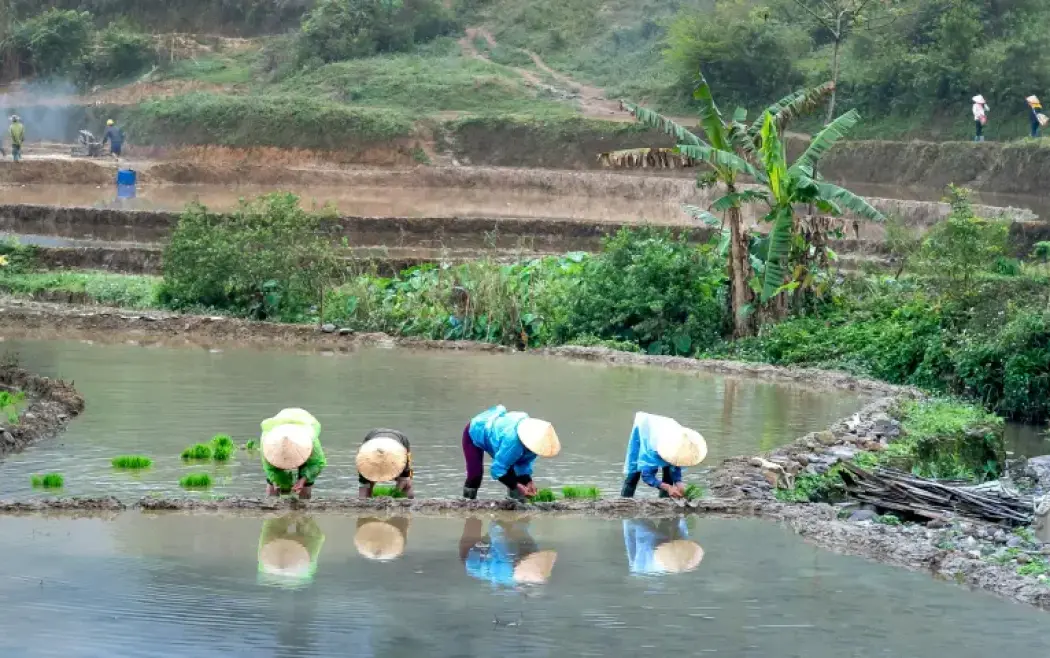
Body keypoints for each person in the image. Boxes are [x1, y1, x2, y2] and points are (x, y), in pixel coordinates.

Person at [461, 404, 561, 500]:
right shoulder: (513, 442)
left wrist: (528, 482)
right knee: (475, 476)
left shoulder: (535, 445)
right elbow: (497, 469)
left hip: (499, 436)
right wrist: (516, 485)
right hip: (476, 430)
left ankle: (514, 509)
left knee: (519, 480)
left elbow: (523, 464)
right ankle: (467, 505)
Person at [621, 411, 707, 499]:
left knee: (669, 475)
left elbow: (676, 465)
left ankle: (664, 502)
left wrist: (679, 483)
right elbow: (647, 476)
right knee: (634, 474)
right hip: (645, 428)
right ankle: (624, 501)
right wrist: (668, 487)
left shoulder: (682, 444)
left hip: (666, 427)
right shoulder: (651, 449)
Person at [459, 517, 557, 588]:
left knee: (473, 518)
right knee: (514, 525)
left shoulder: (507, 563)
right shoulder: (532, 552)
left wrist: (497, 517)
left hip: (471, 558)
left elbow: (497, 530)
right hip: (492, 553)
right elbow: (521, 530)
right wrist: (524, 516)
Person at [260, 407, 326, 499]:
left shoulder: (311, 442)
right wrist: (275, 480)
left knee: (305, 486)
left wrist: (303, 480)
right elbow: (270, 469)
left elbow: (317, 464)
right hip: (279, 424)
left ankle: (303, 506)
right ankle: (270, 505)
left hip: (304, 423)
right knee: (273, 487)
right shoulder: (268, 442)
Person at [257, 513, 326, 589]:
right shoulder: (262, 569)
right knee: (273, 522)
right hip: (269, 555)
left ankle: (302, 515)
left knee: (314, 536)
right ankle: (293, 514)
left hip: (299, 560)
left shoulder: (306, 575)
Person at [623, 518, 704, 575]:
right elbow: (681, 521)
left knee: (632, 522)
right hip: (658, 561)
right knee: (676, 520)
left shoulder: (648, 545)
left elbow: (634, 522)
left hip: (641, 565)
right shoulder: (685, 546)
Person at [357, 428, 414, 499]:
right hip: (371, 444)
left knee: (405, 481)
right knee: (365, 483)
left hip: (398, 444)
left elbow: (406, 471)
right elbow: (363, 482)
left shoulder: (400, 456)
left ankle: (410, 501)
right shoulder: (364, 461)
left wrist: (396, 492)